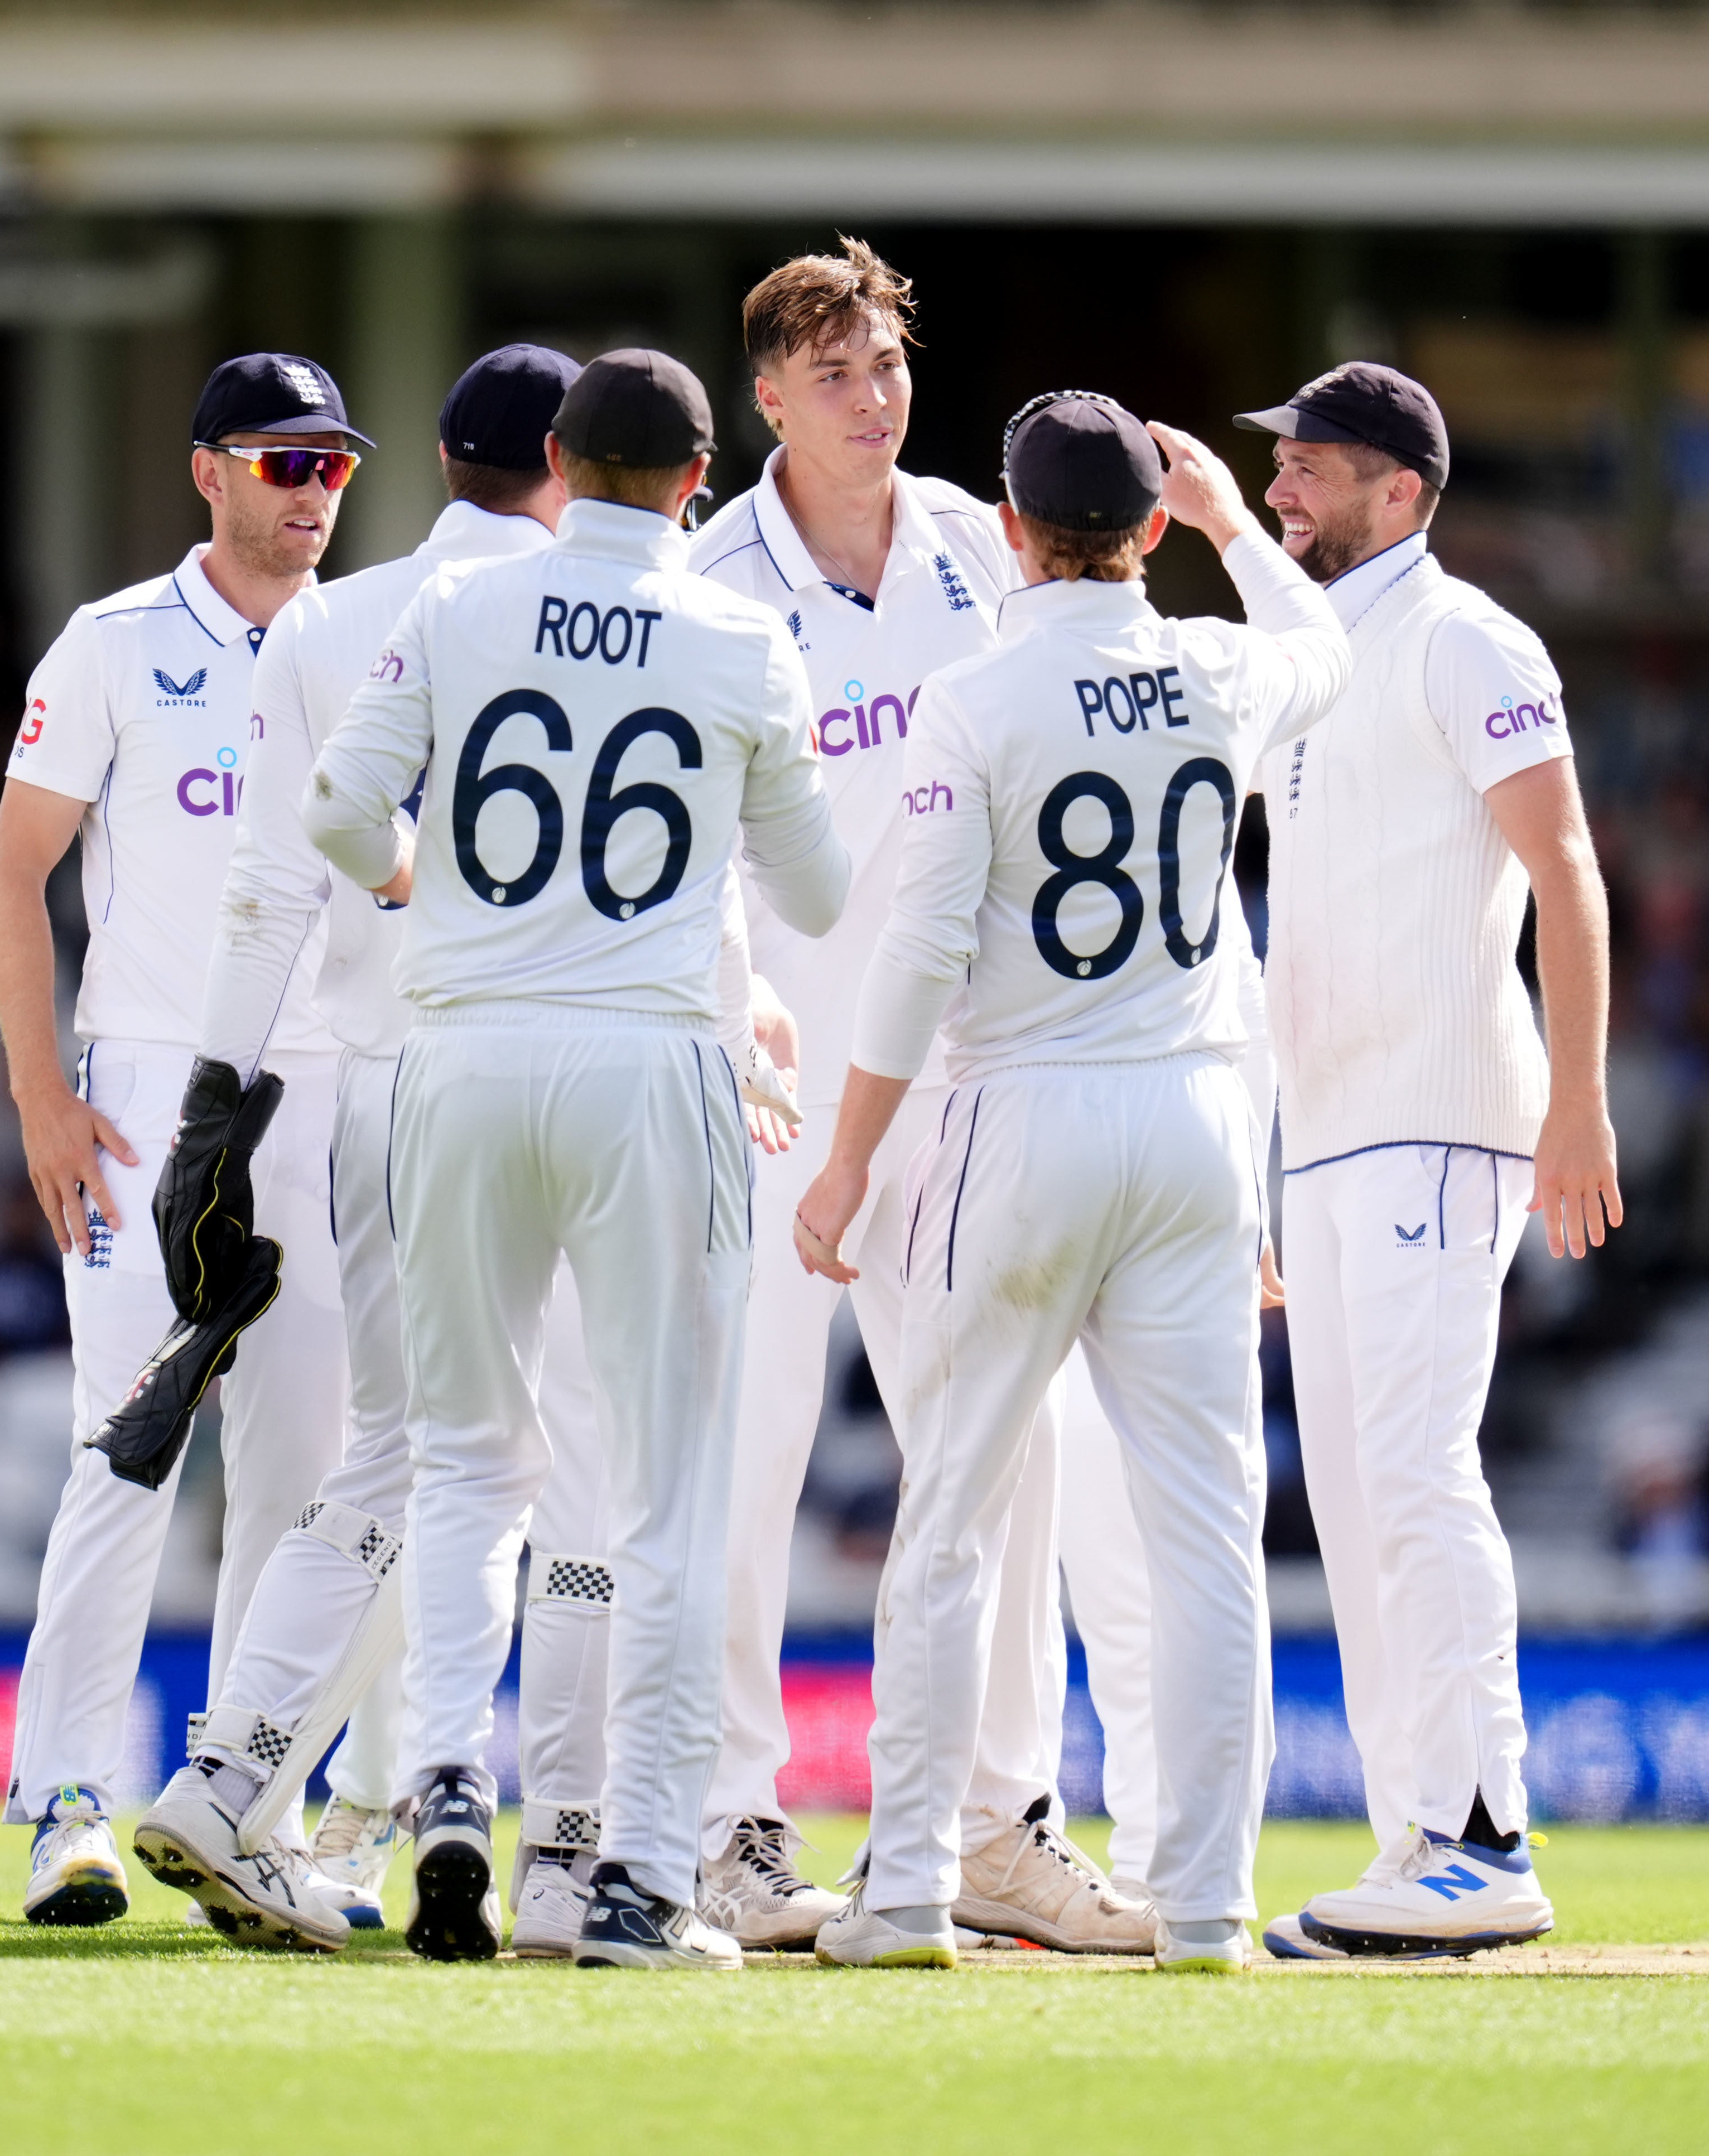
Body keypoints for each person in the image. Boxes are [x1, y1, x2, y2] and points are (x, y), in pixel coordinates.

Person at [304, 349, 847, 1969]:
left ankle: (450, 1778)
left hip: (459, 1054)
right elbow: (815, 895)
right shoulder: (746, 633)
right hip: (649, 1061)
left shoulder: (460, 609)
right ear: (701, 481)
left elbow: (339, 812)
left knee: (471, 1462)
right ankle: (629, 1885)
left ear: (556, 458)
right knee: (669, 1489)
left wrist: (441, 890)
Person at [795, 395, 1344, 1972]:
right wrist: (1244, 526)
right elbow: (1329, 650)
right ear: (1149, 531)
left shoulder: (978, 697)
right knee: (1207, 1534)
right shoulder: (1222, 664)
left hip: (1025, 1115)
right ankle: (1211, 1906)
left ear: (1016, 533)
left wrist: (846, 1161)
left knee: (955, 1520)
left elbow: (917, 953)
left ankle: (906, 1894)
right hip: (1192, 1128)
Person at [687, 239, 1157, 1955]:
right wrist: (734, 997)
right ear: (768, 397)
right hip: (771, 1076)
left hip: (965, 1079)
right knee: (741, 1452)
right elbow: (692, 826)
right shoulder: (710, 571)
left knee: (1002, 1456)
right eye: (833, 374)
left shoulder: (980, 538)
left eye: (886, 365)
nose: (871, 399)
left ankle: (999, 1825)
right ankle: (733, 1822)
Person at [134, 344, 593, 1949]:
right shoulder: (630, 613)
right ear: (566, 454)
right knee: (569, 1477)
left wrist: (210, 1109)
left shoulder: (330, 620)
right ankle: (568, 1845)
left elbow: (270, 891)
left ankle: (245, 1782)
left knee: (398, 1460)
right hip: (581, 1082)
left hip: (386, 1088)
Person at [1234, 363, 1618, 1962]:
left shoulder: (1467, 636)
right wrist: (1264, 1166)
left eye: (1309, 468)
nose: (1281, 493)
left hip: (1445, 1115)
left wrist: (1579, 1101)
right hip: (1327, 1134)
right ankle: (1421, 1839)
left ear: (1402, 490)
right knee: (1361, 1499)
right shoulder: (1310, 660)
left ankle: (1480, 1834)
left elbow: (1567, 864)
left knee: (1414, 1471)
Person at [0, 353, 366, 1925]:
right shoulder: (119, 643)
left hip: (335, 1077)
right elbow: (16, 880)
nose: (314, 492)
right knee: (129, 1445)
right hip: (150, 1090)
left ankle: (241, 1807)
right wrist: (42, 1099)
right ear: (208, 471)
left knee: (304, 1465)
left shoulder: (377, 645)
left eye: (333, 465)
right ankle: (64, 1803)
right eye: (284, 463)